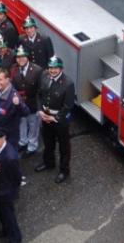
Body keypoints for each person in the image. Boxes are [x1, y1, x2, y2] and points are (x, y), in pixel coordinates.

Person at [35, 56, 75, 184]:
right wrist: (40, 110)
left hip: (59, 120)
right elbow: (39, 95)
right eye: (51, 68)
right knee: (48, 143)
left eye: (55, 68)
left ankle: (64, 170)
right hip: (45, 116)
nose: (52, 71)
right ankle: (49, 163)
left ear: (61, 69)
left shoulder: (68, 83)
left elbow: (68, 105)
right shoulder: (45, 77)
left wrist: (54, 118)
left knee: (64, 147)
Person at [0, 127, 23, 243]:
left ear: (4, 137)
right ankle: (6, 230)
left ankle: (15, 238)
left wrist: (10, 190)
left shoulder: (10, 157)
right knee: (2, 214)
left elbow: (17, 177)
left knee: (9, 216)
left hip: (6, 191)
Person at [12, 46, 43, 157]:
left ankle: (32, 145)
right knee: (22, 123)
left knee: (33, 125)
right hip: (20, 104)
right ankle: (23, 141)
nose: (20, 59)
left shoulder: (37, 70)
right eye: (18, 57)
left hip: (32, 103)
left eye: (23, 57)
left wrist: (40, 108)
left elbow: (40, 90)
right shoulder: (14, 69)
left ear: (27, 57)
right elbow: (13, 87)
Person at [0, 69, 29, 149]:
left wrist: (18, 105)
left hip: (9, 138)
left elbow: (26, 112)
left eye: (0, 80)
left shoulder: (13, 96)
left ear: (7, 80)